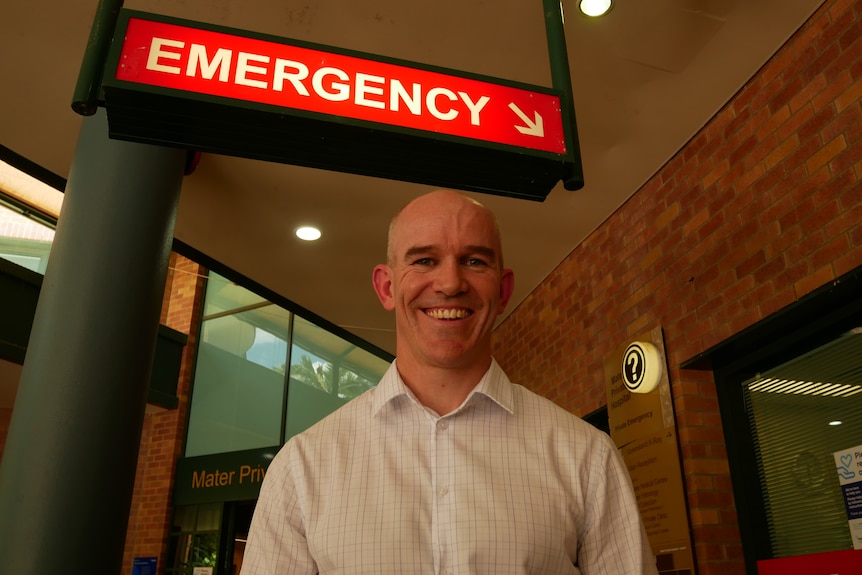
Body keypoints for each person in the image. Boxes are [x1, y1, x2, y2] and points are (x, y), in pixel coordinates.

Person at [240, 189, 658, 575]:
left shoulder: (587, 457)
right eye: (424, 260)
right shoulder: (302, 469)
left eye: (474, 261)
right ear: (387, 287)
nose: (451, 283)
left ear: (504, 289)